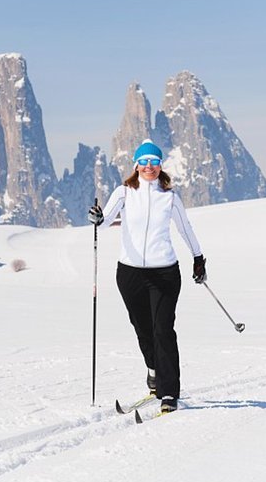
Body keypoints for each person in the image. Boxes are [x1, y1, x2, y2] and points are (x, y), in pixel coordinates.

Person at [88, 139, 206, 413]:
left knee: (163, 330)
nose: (149, 166)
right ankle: (154, 372)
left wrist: (198, 258)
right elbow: (104, 222)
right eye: (144, 161)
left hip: (164, 272)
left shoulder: (170, 197)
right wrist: (96, 218)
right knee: (142, 328)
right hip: (130, 274)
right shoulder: (124, 192)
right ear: (136, 165)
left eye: (154, 161)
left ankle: (169, 393)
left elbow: (185, 228)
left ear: (160, 165)